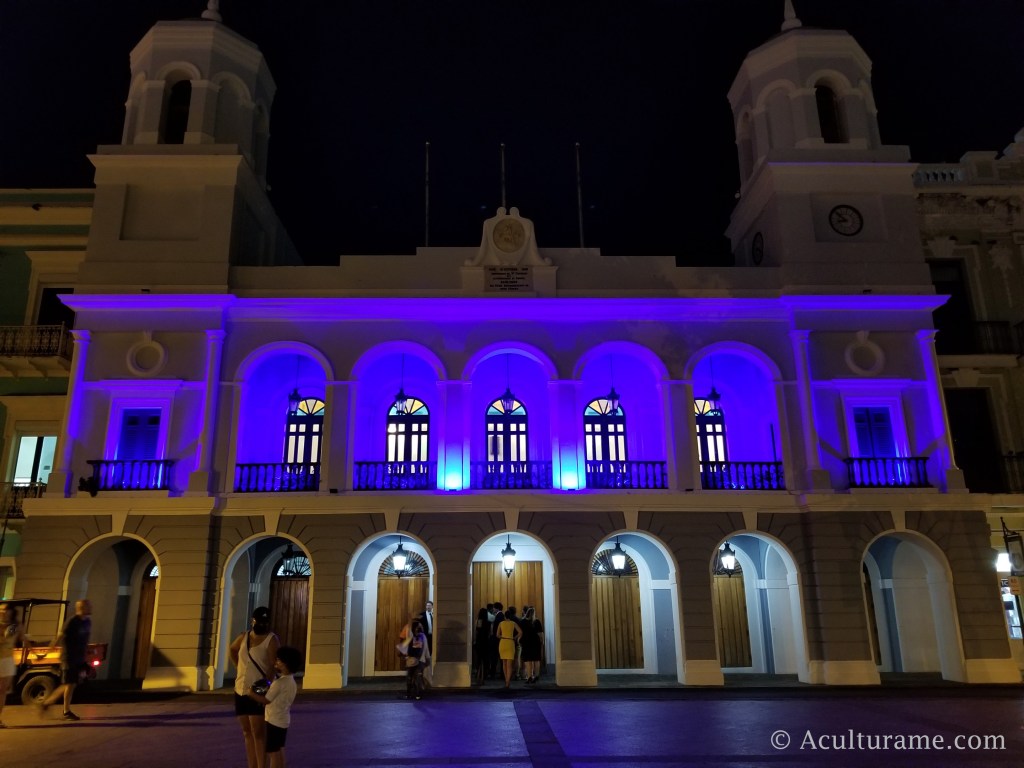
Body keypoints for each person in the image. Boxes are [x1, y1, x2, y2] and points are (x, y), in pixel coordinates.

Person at [230, 606, 280, 768]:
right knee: (246, 731)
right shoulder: (244, 637)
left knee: (258, 732)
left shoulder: (271, 640)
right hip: (240, 689)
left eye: (266, 622)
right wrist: (239, 667)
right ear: (253, 621)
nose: (263, 626)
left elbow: (273, 667)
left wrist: (266, 685)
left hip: (257, 692)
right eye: (260, 622)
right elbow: (232, 649)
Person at [247, 645, 302, 768]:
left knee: (273, 751)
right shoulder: (291, 682)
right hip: (283, 720)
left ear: (285, 664)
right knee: (279, 748)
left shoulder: (279, 683)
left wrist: (251, 693)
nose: (276, 662)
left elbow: (266, 700)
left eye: (278, 660)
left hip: (273, 720)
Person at [39, 598, 91, 721]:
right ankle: (64, 710)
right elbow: (60, 636)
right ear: (81, 608)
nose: (90, 608)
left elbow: (85, 640)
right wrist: (47, 652)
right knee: (69, 683)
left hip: (79, 658)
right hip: (69, 657)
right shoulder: (72, 621)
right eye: (88, 606)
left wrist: (86, 656)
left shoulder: (87, 622)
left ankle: (49, 704)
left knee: (71, 684)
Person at [0, 603, 27, 728]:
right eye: (0, 609)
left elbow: (22, 639)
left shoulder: (14, 626)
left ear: (11, 611)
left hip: (6, 661)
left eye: (5, 610)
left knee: (1, 691)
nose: (2, 611)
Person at [495, 604, 522, 688]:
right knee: (509, 664)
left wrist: (502, 636)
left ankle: (506, 680)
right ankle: (507, 681)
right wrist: (515, 637)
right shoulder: (513, 623)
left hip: (503, 642)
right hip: (510, 642)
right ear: (510, 616)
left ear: (504, 616)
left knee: (504, 663)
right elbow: (520, 632)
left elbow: (497, 635)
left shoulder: (501, 623)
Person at [404, 620, 430, 700]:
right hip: (414, 660)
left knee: (414, 677)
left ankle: (414, 694)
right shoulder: (415, 636)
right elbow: (425, 649)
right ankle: (413, 694)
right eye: (419, 626)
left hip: (416, 660)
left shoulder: (420, 636)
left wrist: (427, 658)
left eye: (421, 625)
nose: (421, 627)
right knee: (412, 677)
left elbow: (425, 649)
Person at [520, 606, 543, 684]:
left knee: (528, 660)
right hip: (535, 642)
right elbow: (540, 634)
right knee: (536, 659)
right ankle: (536, 676)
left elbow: (521, 632)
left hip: (526, 642)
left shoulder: (522, 621)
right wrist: (542, 642)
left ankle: (529, 676)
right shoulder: (537, 621)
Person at [472, 607, 490, 685]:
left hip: (479, 642)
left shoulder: (479, 621)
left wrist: (475, 640)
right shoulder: (488, 622)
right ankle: (483, 677)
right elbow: (490, 633)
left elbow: (477, 632)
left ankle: (478, 677)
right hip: (486, 642)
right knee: (485, 660)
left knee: (479, 660)